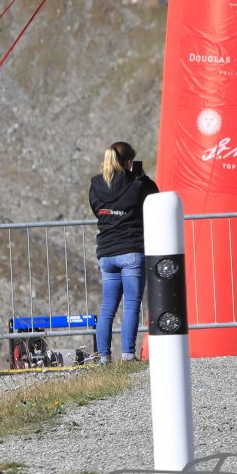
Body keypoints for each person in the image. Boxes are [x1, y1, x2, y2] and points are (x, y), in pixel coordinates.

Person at [89, 141, 159, 365]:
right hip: (131, 251)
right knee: (131, 305)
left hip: (106, 253)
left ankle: (104, 357)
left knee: (107, 308)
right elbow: (155, 195)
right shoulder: (137, 185)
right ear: (128, 161)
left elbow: (96, 209)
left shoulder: (96, 185)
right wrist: (142, 177)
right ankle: (128, 355)